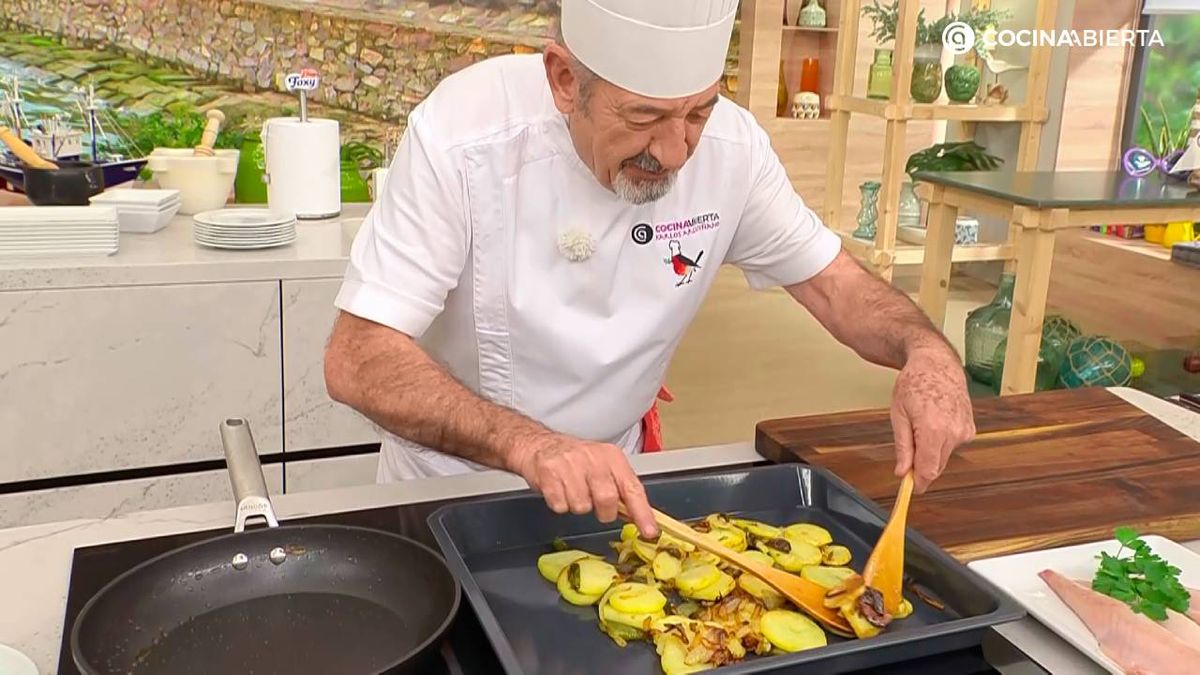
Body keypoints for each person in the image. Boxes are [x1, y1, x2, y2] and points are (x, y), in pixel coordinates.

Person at [324, 0, 975, 538]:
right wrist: (533, 445)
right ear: (564, 80)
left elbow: (836, 287)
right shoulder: (462, 135)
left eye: (698, 111)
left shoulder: (733, 151)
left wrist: (928, 352)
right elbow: (358, 357)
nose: (674, 150)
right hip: (450, 495)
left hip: (619, 496)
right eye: (644, 116)